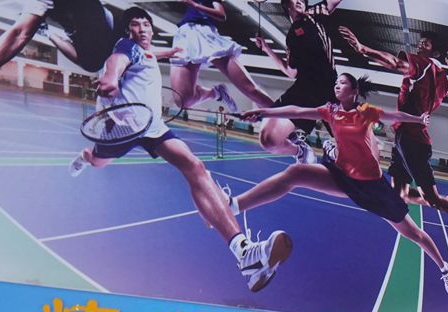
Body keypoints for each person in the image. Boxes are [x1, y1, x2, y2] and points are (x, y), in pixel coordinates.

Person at [67, 9, 292, 293]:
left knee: (194, 166)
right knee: (98, 161)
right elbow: (117, 61)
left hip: (152, 127)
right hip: (121, 128)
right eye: (135, 25)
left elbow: (151, 55)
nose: (143, 29)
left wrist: (172, 51)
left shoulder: (147, 53)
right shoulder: (125, 47)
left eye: (146, 24)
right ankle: (85, 156)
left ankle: (244, 253)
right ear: (127, 31)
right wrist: (111, 77)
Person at [236, 74, 448, 295]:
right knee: (296, 172)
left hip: (372, 187)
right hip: (342, 176)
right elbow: (297, 111)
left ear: (354, 91)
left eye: (342, 83)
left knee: (414, 234)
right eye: (336, 83)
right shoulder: (330, 111)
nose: (337, 85)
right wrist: (264, 113)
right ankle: (234, 205)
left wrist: (418, 120)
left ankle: (444, 268)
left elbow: (395, 115)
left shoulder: (365, 112)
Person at [338, 28, 448, 246]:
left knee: (432, 200)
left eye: (426, 44)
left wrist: (362, 48)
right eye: (421, 43)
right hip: (403, 138)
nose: (420, 45)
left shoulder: (422, 64)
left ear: (435, 53)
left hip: (413, 141)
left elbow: (394, 63)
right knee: (400, 194)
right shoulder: (443, 79)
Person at [0, 0, 117, 90]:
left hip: (104, 25)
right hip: (81, 35)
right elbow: (20, 33)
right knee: (91, 64)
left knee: (94, 62)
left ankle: (48, 32)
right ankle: (48, 32)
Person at [255, 0, 347, 159]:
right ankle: (300, 151)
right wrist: (266, 49)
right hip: (305, 90)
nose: (300, 1)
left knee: (353, 149)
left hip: (330, 89)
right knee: (268, 139)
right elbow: (291, 73)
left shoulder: (315, 13)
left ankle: (332, 152)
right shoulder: (291, 36)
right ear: (286, 4)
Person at [166, 1, 273, 116]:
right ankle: (217, 93)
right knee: (183, 100)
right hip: (185, 35)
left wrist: (194, 4)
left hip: (205, 35)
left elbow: (221, 15)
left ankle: (283, 119)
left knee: (251, 90)